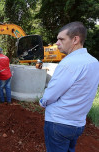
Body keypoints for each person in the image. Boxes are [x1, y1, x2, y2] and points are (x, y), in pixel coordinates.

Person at [39, 22, 99, 152]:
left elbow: (51, 95)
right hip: (78, 124)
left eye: (61, 39)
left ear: (75, 39)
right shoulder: (94, 62)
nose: (57, 43)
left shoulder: (68, 63)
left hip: (58, 122)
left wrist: (42, 102)